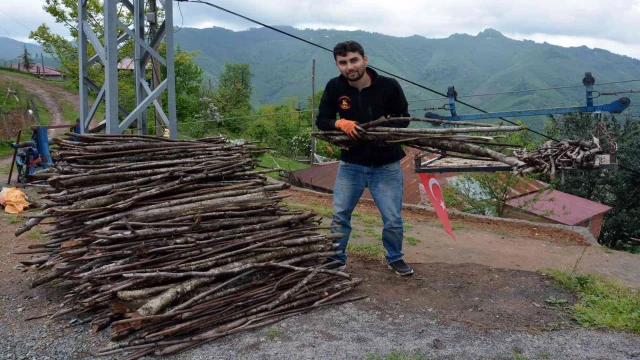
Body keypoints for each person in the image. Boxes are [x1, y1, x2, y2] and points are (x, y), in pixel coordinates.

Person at [316, 40, 413, 276]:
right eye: (343, 62)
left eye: (354, 60)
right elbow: (322, 120)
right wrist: (340, 122)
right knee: (340, 215)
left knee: (391, 217)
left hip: (386, 164)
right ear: (338, 65)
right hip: (351, 163)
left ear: (364, 59)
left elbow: (404, 118)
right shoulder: (334, 88)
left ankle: (395, 258)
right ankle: (336, 258)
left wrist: (385, 134)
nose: (349, 66)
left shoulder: (388, 86)